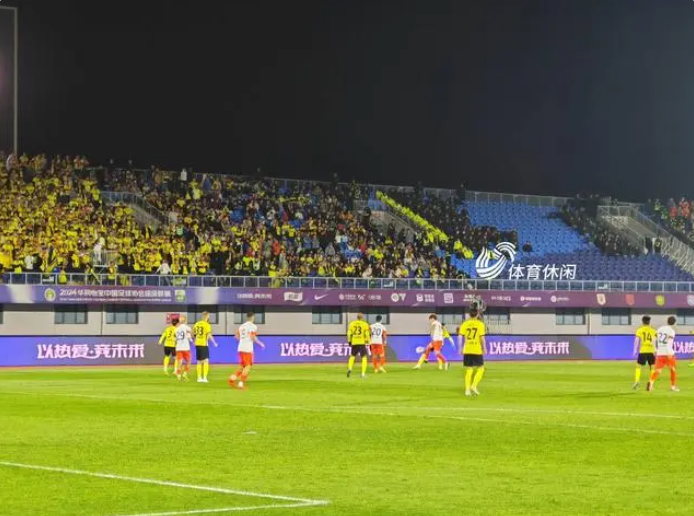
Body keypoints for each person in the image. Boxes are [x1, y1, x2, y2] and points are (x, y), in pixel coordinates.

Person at [229, 312, 265, 390]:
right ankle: (241, 383)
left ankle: (232, 379)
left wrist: (242, 340)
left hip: (241, 347)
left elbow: (236, 336)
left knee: (242, 366)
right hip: (247, 348)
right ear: (252, 317)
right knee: (248, 366)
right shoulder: (253, 326)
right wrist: (260, 344)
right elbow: (253, 337)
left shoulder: (241, 326)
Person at [458, 308, 487, 396]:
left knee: (469, 369)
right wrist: (484, 348)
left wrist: (460, 348)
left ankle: (467, 390)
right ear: (477, 315)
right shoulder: (480, 324)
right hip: (476, 349)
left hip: (467, 349)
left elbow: (460, 337)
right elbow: (482, 338)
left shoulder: (465, 324)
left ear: (469, 315)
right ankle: (473, 386)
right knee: (481, 368)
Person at [647, 316, 679, 392]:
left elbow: (654, 338)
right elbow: (669, 342)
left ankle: (651, 383)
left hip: (660, 353)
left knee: (658, 370)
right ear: (674, 323)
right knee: (673, 369)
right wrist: (668, 352)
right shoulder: (671, 331)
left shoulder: (660, 329)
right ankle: (673, 386)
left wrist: (655, 349)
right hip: (668, 353)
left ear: (667, 321)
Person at [193, 311, 218, 383]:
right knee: (206, 360)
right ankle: (204, 378)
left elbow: (193, 333)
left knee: (199, 361)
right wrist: (214, 343)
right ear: (207, 316)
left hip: (197, 344)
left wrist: (195, 340)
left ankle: (199, 378)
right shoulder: (207, 325)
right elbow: (209, 335)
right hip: (203, 344)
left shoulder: (196, 324)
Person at [632, 315, 656, 390]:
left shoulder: (640, 330)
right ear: (649, 322)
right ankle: (651, 382)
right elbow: (654, 340)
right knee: (652, 367)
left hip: (643, 350)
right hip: (651, 350)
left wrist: (635, 350)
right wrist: (655, 350)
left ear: (642, 322)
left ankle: (637, 381)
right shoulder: (653, 330)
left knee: (638, 366)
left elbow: (637, 340)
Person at [347, 312, 371, 378]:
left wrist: (349, 341)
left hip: (354, 342)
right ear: (362, 317)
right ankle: (363, 374)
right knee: (364, 357)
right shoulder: (365, 324)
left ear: (357, 317)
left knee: (352, 356)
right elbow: (367, 334)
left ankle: (350, 368)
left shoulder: (351, 324)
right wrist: (369, 342)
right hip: (361, 342)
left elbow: (349, 333)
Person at [174, 316, 193, 382]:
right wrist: (190, 336)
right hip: (185, 347)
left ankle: (179, 375)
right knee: (188, 361)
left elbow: (176, 339)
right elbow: (191, 332)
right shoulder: (186, 327)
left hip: (178, 347)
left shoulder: (176, 329)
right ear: (185, 321)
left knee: (180, 362)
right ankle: (185, 373)